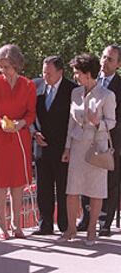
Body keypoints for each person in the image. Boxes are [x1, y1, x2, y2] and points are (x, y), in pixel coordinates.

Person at [60, 53, 116, 246]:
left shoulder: (107, 95)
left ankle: (92, 230)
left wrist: (97, 122)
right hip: (77, 146)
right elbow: (70, 122)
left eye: (77, 72)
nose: (75, 76)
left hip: (97, 148)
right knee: (72, 189)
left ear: (87, 73)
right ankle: (71, 229)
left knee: (95, 190)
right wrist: (67, 147)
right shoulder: (75, 93)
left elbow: (112, 122)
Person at [0, 44, 36, 240]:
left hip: (19, 139)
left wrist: (22, 123)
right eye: (0, 67)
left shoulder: (29, 85)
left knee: (17, 184)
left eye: (6, 66)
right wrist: (0, 123)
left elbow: (31, 113)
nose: (2, 71)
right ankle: (1, 227)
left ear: (16, 65)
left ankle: (17, 225)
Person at [77, 45, 121, 236]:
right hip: (87, 140)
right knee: (86, 178)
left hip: (111, 142)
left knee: (109, 183)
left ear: (118, 64)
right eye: (103, 57)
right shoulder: (89, 81)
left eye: (110, 59)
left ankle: (104, 222)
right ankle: (86, 219)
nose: (104, 61)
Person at [32, 56, 77, 235]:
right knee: (43, 188)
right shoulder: (35, 86)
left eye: (49, 73)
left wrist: (69, 146)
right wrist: (34, 132)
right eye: (43, 72)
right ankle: (45, 224)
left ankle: (65, 225)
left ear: (60, 72)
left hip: (63, 148)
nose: (45, 76)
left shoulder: (73, 90)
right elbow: (30, 114)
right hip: (41, 146)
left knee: (64, 186)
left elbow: (74, 121)